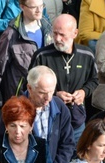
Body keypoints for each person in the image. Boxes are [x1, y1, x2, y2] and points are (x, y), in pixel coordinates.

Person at [29, 14, 98, 142]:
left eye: (62, 35)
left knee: (76, 157)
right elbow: (29, 86)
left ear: (75, 33)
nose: (57, 38)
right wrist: (54, 95)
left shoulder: (87, 55)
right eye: (54, 33)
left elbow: (94, 79)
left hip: (76, 119)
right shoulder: (42, 56)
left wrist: (84, 92)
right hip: (49, 119)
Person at [0, 0, 52, 111]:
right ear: (22, 7)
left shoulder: (47, 29)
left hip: (43, 98)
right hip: (19, 97)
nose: (39, 10)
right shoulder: (11, 34)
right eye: (34, 7)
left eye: (41, 6)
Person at [23, 65, 74, 163]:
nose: (48, 98)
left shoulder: (59, 107)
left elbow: (67, 144)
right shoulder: (15, 109)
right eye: (42, 93)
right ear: (29, 88)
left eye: (51, 92)